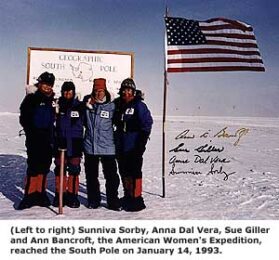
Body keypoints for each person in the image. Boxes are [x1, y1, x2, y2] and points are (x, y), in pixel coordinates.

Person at [18, 72, 56, 210]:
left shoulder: (52, 99)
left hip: (47, 138)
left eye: (49, 85)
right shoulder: (31, 98)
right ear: (39, 83)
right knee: (34, 166)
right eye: (45, 84)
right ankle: (29, 195)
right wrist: (31, 131)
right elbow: (24, 117)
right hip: (35, 138)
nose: (47, 87)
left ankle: (41, 193)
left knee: (45, 166)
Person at [114, 78, 153, 212]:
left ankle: (136, 199)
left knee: (134, 172)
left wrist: (141, 143)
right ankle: (127, 196)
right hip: (121, 145)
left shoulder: (139, 105)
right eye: (124, 90)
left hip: (134, 145)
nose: (126, 93)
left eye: (129, 90)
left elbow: (147, 123)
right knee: (124, 172)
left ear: (134, 92)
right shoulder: (118, 104)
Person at [83, 78, 120, 210]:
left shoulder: (113, 106)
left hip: (108, 147)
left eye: (101, 90)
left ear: (105, 90)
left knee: (111, 177)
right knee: (91, 176)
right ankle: (94, 200)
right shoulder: (87, 105)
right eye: (97, 90)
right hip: (90, 147)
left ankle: (113, 201)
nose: (99, 93)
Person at [53, 82, 84, 208]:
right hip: (60, 141)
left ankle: (73, 195)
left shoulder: (79, 106)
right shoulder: (57, 105)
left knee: (74, 170)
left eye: (70, 92)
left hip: (75, 142)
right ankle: (60, 194)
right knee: (59, 170)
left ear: (73, 92)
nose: (67, 94)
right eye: (65, 92)